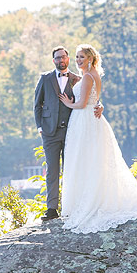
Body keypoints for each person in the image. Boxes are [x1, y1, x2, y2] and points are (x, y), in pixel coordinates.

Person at [54, 44, 137, 233]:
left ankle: (89, 201)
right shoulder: (94, 75)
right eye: (77, 57)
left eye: (81, 57)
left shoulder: (86, 76)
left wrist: (69, 103)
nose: (78, 61)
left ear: (91, 59)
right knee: (92, 161)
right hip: (92, 121)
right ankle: (93, 197)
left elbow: (83, 103)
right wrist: (97, 105)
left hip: (84, 120)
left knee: (84, 160)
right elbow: (95, 100)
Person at [33, 46, 101, 220]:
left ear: (68, 59)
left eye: (63, 57)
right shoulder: (45, 79)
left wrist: (101, 106)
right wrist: (40, 127)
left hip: (72, 131)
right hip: (49, 132)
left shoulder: (78, 79)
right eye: (57, 58)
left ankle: (73, 205)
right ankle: (51, 209)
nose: (61, 60)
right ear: (53, 60)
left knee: (72, 169)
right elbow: (37, 105)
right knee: (52, 170)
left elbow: (90, 98)